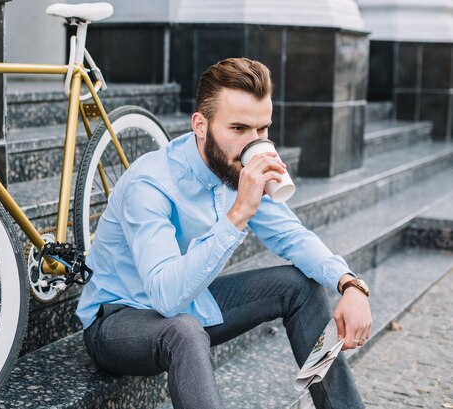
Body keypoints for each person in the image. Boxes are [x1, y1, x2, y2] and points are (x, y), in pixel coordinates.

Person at [76, 57, 371, 409]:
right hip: (118, 321)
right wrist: (238, 214)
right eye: (239, 129)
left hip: (193, 302)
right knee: (183, 330)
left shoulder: (235, 168)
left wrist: (349, 283)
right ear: (200, 125)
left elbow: (292, 236)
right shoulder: (150, 183)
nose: (254, 143)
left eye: (262, 130)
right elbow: (166, 298)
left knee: (301, 287)